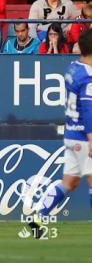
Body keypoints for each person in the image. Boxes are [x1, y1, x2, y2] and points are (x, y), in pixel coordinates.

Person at [28, 29, 92, 239]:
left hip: (71, 135)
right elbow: (88, 109)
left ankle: (38, 216)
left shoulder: (73, 68)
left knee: (69, 182)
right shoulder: (89, 76)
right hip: (84, 136)